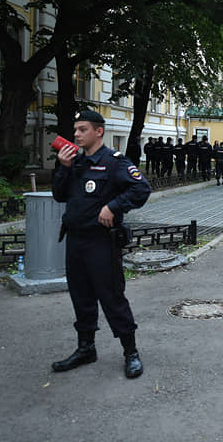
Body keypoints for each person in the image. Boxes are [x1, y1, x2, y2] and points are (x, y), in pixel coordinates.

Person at [51, 110, 150, 379]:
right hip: (75, 240)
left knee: (112, 297)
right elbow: (59, 195)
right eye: (75, 130)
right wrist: (63, 167)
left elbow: (141, 189)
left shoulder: (114, 162)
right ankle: (86, 349)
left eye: (82, 129)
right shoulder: (75, 162)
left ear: (99, 131)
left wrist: (113, 206)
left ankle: (131, 352)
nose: (76, 134)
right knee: (81, 297)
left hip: (101, 243)